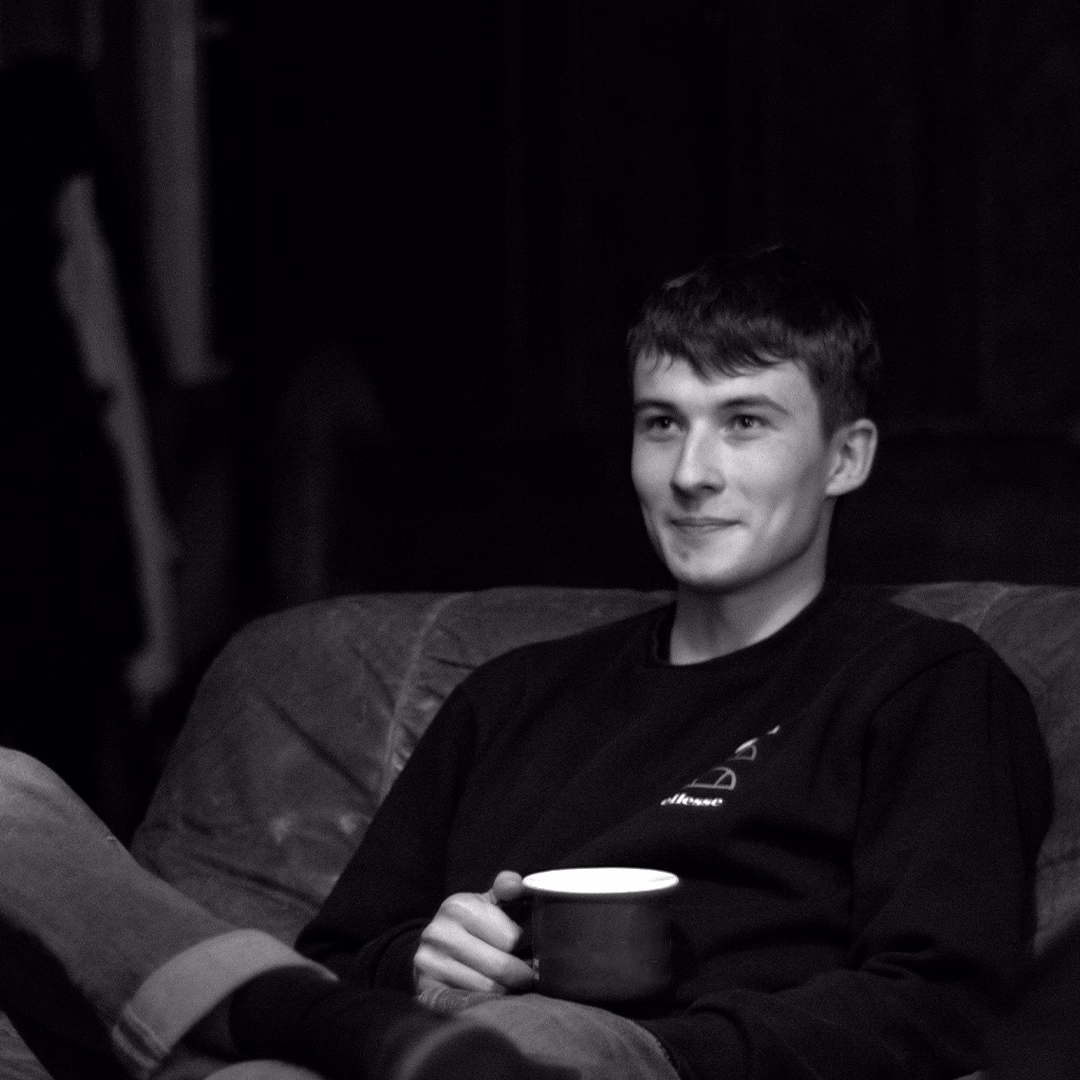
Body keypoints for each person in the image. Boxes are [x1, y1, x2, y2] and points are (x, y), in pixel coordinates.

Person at [0, 246, 1052, 1080]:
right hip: (380, 1052)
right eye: (661, 425)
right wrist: (419, 962)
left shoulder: (920, 684)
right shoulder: (510, 696)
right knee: (10, 798)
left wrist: (659, 1055)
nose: (691, 473)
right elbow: (337, 956)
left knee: (542, 1042)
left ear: (845, 457)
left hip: (625, 1062)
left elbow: (936, 997)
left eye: (744, 424)